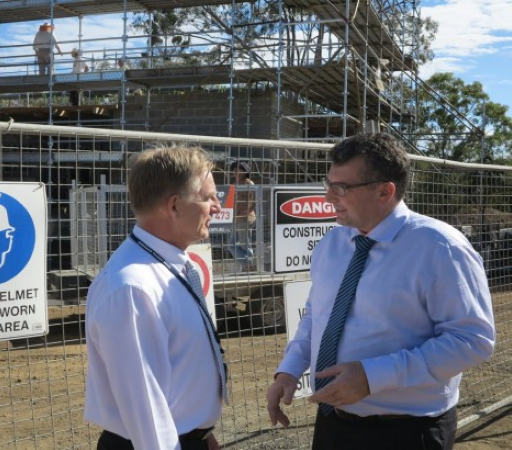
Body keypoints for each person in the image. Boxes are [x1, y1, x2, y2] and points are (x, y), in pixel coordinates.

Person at [266, 133, 495, 450]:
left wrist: (374, 376)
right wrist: (289, 371)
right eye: (328, 184)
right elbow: (317, 316)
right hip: (334, 423)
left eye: (341, 188)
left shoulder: (441, 247)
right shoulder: (332, 244)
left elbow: (472, 341)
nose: (328, 197)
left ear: (385, 191)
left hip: (407, 431)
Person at [85, 145, 226, 450]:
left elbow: (178, 371)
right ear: (174, 206)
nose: (217, 207)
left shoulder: (170, 265)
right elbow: (144, 408)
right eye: (208, 197)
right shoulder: (132, 288)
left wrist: (202, 432)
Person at [228, 160, 256, 270]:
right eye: (233, 170)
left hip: (245, 219)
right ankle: (248, 265)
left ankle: (249, 266)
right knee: (232, 245)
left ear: (244, 171)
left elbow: (254, 200)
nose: (234, 172)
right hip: (237, 219)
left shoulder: (248, 183)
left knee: (245, 245)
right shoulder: (237, 184)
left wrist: (246, 211)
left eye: (237, 169)